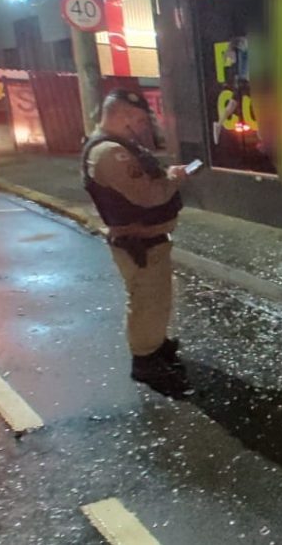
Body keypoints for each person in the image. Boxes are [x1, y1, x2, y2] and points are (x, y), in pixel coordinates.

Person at [82, 89, 193, 398]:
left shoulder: (118, 147)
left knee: (157, 299)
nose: (143, 125)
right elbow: (148, 195)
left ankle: (155, 346)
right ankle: (146, 362)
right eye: (140, 119)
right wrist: (174, 177)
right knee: (147, 302)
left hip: (148, 241)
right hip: (139, 243)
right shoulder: (109, 153)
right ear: (123, 115)